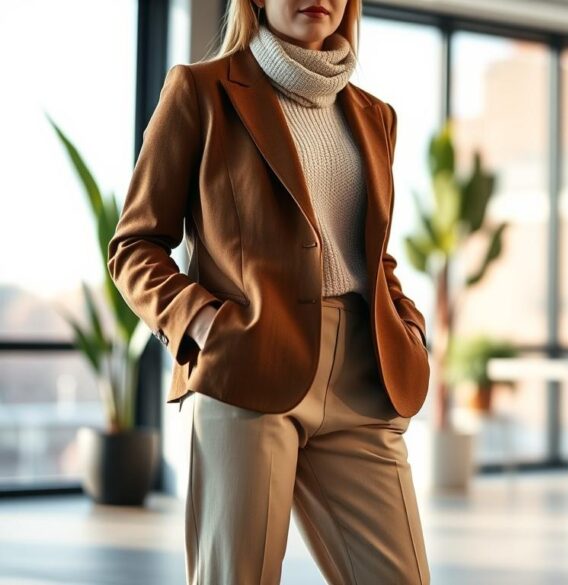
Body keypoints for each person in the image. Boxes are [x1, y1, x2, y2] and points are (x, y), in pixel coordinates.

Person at [106, 1, 431, 583]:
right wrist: (203, 323)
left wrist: (410, 327)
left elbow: (373, 254)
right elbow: (134, 246)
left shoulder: (375, 115)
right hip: (249, 369)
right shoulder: (201, 91)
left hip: (364, 379)